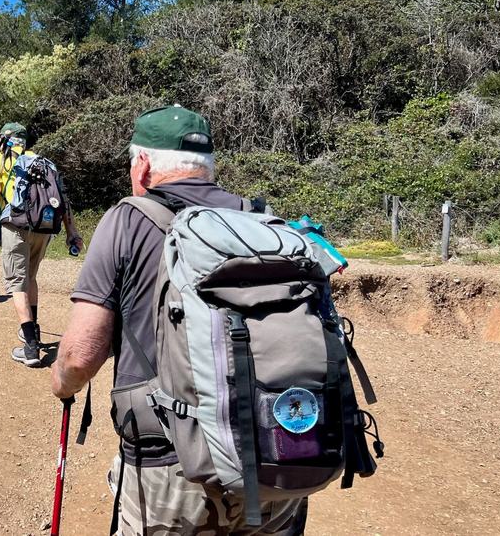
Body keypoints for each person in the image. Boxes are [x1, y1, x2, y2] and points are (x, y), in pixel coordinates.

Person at [50, 106, 307, 535]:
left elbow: (80, 357)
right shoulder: (258, 219)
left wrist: (62, 383)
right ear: (207, 167)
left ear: (143, 165)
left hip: (170, 468)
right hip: (273, 460)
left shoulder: (126, 221)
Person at [0, 122, 82, 368]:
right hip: (43, 227)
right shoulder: (43, 161)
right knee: (31, 277)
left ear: (5, 140)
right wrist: (72, 232)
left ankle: (30, 347)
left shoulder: (0, 159)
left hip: (15, 225)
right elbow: (62, 199)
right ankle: (34, 331)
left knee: (17, 282)